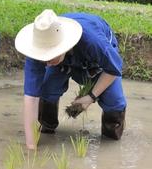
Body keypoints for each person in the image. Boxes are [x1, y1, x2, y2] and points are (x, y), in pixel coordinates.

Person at [15, 9, 127, 150]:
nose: (47, 62)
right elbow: (31, 98)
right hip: (64, 58)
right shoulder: (37, 47)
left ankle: (111, 140)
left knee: (114, 101)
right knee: (47, 89)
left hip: (94, 59)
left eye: (50, 55)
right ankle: (47, 127)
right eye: (43, 57)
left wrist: (90, 97)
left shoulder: (94, 42)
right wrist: (31, 146)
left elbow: (113, 69)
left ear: (63, 46)